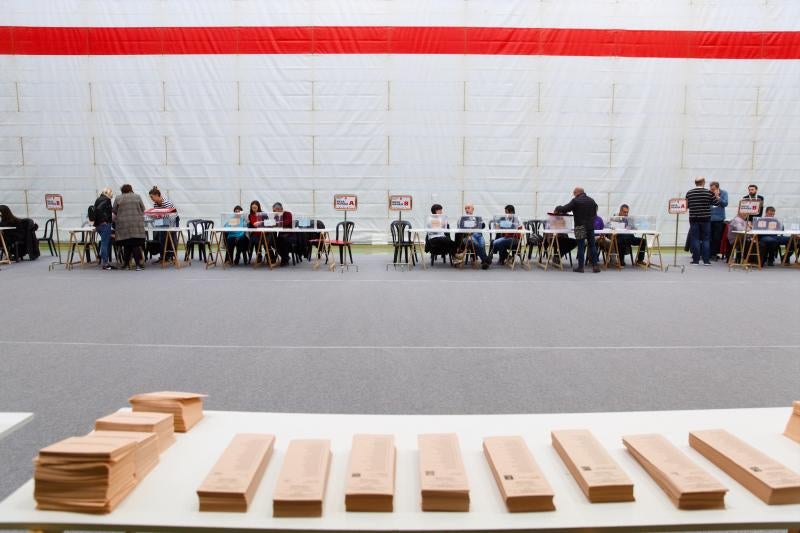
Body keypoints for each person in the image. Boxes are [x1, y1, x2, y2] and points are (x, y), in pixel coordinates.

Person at [555, 187, 600, 273]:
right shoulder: (592, 200)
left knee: (581, 246)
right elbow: (595, 212)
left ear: (577, 193)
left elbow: (565, 209)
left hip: (580, 227)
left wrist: (558, 208)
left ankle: (581, 267)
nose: (574, 195)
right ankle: (595, 266)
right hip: (590, 227)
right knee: (592, 246)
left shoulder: (575, 201)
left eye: (574, 193)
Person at [686, 177, 720, 265]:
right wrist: (716, 195)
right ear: (703, 183)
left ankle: (696, 260)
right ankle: (706, 261)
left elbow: (687, 206)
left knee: (695, 239)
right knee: (706, 239)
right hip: (706, 219)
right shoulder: (709, 193)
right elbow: (716, 203)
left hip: (693, 218)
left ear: (695, 183)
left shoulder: (689, 193)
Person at [112, 184, 146, 270]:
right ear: (131, 189)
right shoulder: (137, 197)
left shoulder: (118, 198)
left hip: (123, 225)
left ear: (122, 191)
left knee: (126, 245)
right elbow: (143, 208)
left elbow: (114, 211)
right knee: (135, 244)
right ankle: (138, 265)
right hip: (136, 224)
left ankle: (126, 265)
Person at [148, 186, 178, 262]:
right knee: (162, 237)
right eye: (150, 197)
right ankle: (163, 256)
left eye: (152, 197)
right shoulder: (155, 204)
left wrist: (157, 217)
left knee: (171, 236)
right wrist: (156, 218)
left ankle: (173, 255)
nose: (151, 199)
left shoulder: (166, 202)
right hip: (163, 220)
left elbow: (167, 215)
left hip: (173, 219)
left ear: (157, 195)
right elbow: (157, 215)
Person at [457, 203, 491, 269]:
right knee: (476, 243)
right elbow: (459, 227)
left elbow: (483, 225)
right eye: (465, 208)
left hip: (478, 235)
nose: (467, 209)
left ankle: (484, 261)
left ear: (473, 209)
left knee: (482, 243)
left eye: (468, 208)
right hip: (468, 236)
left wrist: (478, 224)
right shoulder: (462, 218)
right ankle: (486, 260)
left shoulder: (477, 217)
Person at [93, 187, 114, 270]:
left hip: (98, 225)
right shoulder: (106, 200)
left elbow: (96, 210)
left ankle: (102, 258)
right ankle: (105, 263)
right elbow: (99, 209)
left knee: (104, 243)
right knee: (105, 243)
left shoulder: (98, 199)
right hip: (104, 224)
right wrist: (104, 220)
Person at [709, 181, 728, 260]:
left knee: (717, 237)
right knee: (709, 237)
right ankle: (708, 254)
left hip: (719, 219)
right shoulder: (709, 193)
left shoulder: (724, 193)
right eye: (711, 189)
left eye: (713, 189)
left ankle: (714, 254)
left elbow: (725, 204)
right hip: (709, 218)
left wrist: (718, 197)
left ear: (717, 188)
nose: (712, 190)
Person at [271, 202, 294, 266]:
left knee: (283, 241)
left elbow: (286, 223)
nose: (274, 212)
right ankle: (285, 257)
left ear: (279, 209)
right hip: (281, 235)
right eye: (273, 210)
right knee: (272, 241)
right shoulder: (276, 216)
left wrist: (277, 224)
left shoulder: (288, 214)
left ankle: (285, 259)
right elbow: (275, 224)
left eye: (274, 210)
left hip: (289, 234)